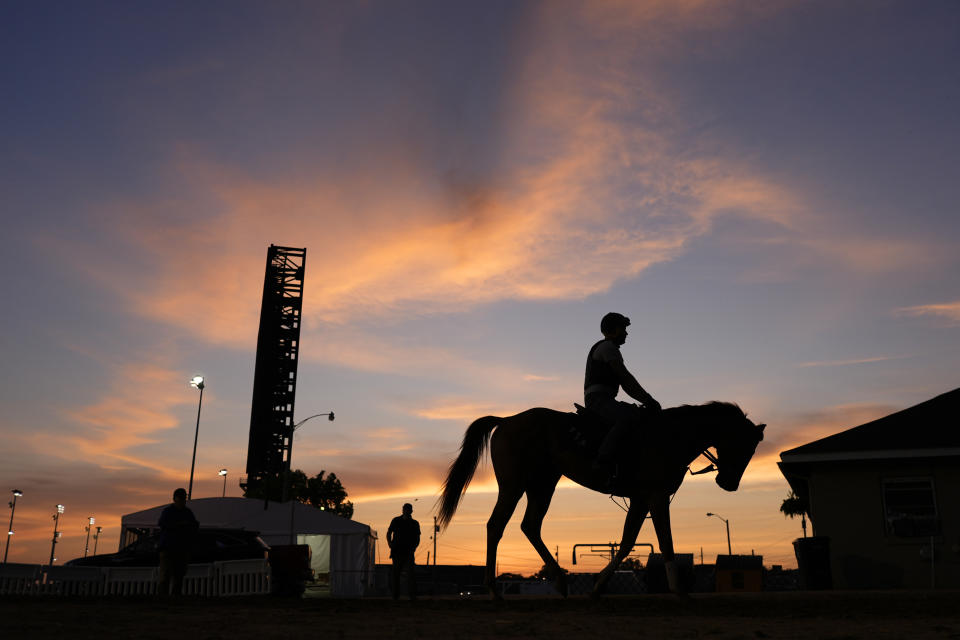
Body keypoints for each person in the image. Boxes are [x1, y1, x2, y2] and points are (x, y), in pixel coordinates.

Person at [585, 312, 661, 489]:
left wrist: (645, 399)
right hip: (599, 400)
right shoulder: (608, 348)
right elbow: (626, 379)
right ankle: (603, 461)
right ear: (612, 330)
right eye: (623, 328)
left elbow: (626, 383)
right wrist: (648, 400)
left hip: (601, 398)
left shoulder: (609, 348)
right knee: (627, 418)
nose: (626, 333)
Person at [157, 487, 199, 596]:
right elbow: (163, 524)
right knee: (166, 574)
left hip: (180, 548)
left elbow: (194, 526)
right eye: (181, 498)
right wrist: (180, 525)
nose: (182, 501)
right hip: (169, 547)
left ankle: (173, 598)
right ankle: (164, 598)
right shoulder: (169, 511)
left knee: (178, 575)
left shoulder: (186, 512)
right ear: (175, 499)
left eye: (183, 498)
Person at [386, 503, 420, 600]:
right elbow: (389, 532)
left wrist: (413, 548)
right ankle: (395, 596)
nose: (407, 511)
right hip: (397, 552)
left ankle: (412, 596)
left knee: (410, 575)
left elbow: (417, 538)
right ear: (403, 510)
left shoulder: (415, 523)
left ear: (411, 511)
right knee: (395, 575)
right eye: (405, 509)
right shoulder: (396, 520)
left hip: (408, 552)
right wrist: (390, 544)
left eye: (408, 509)